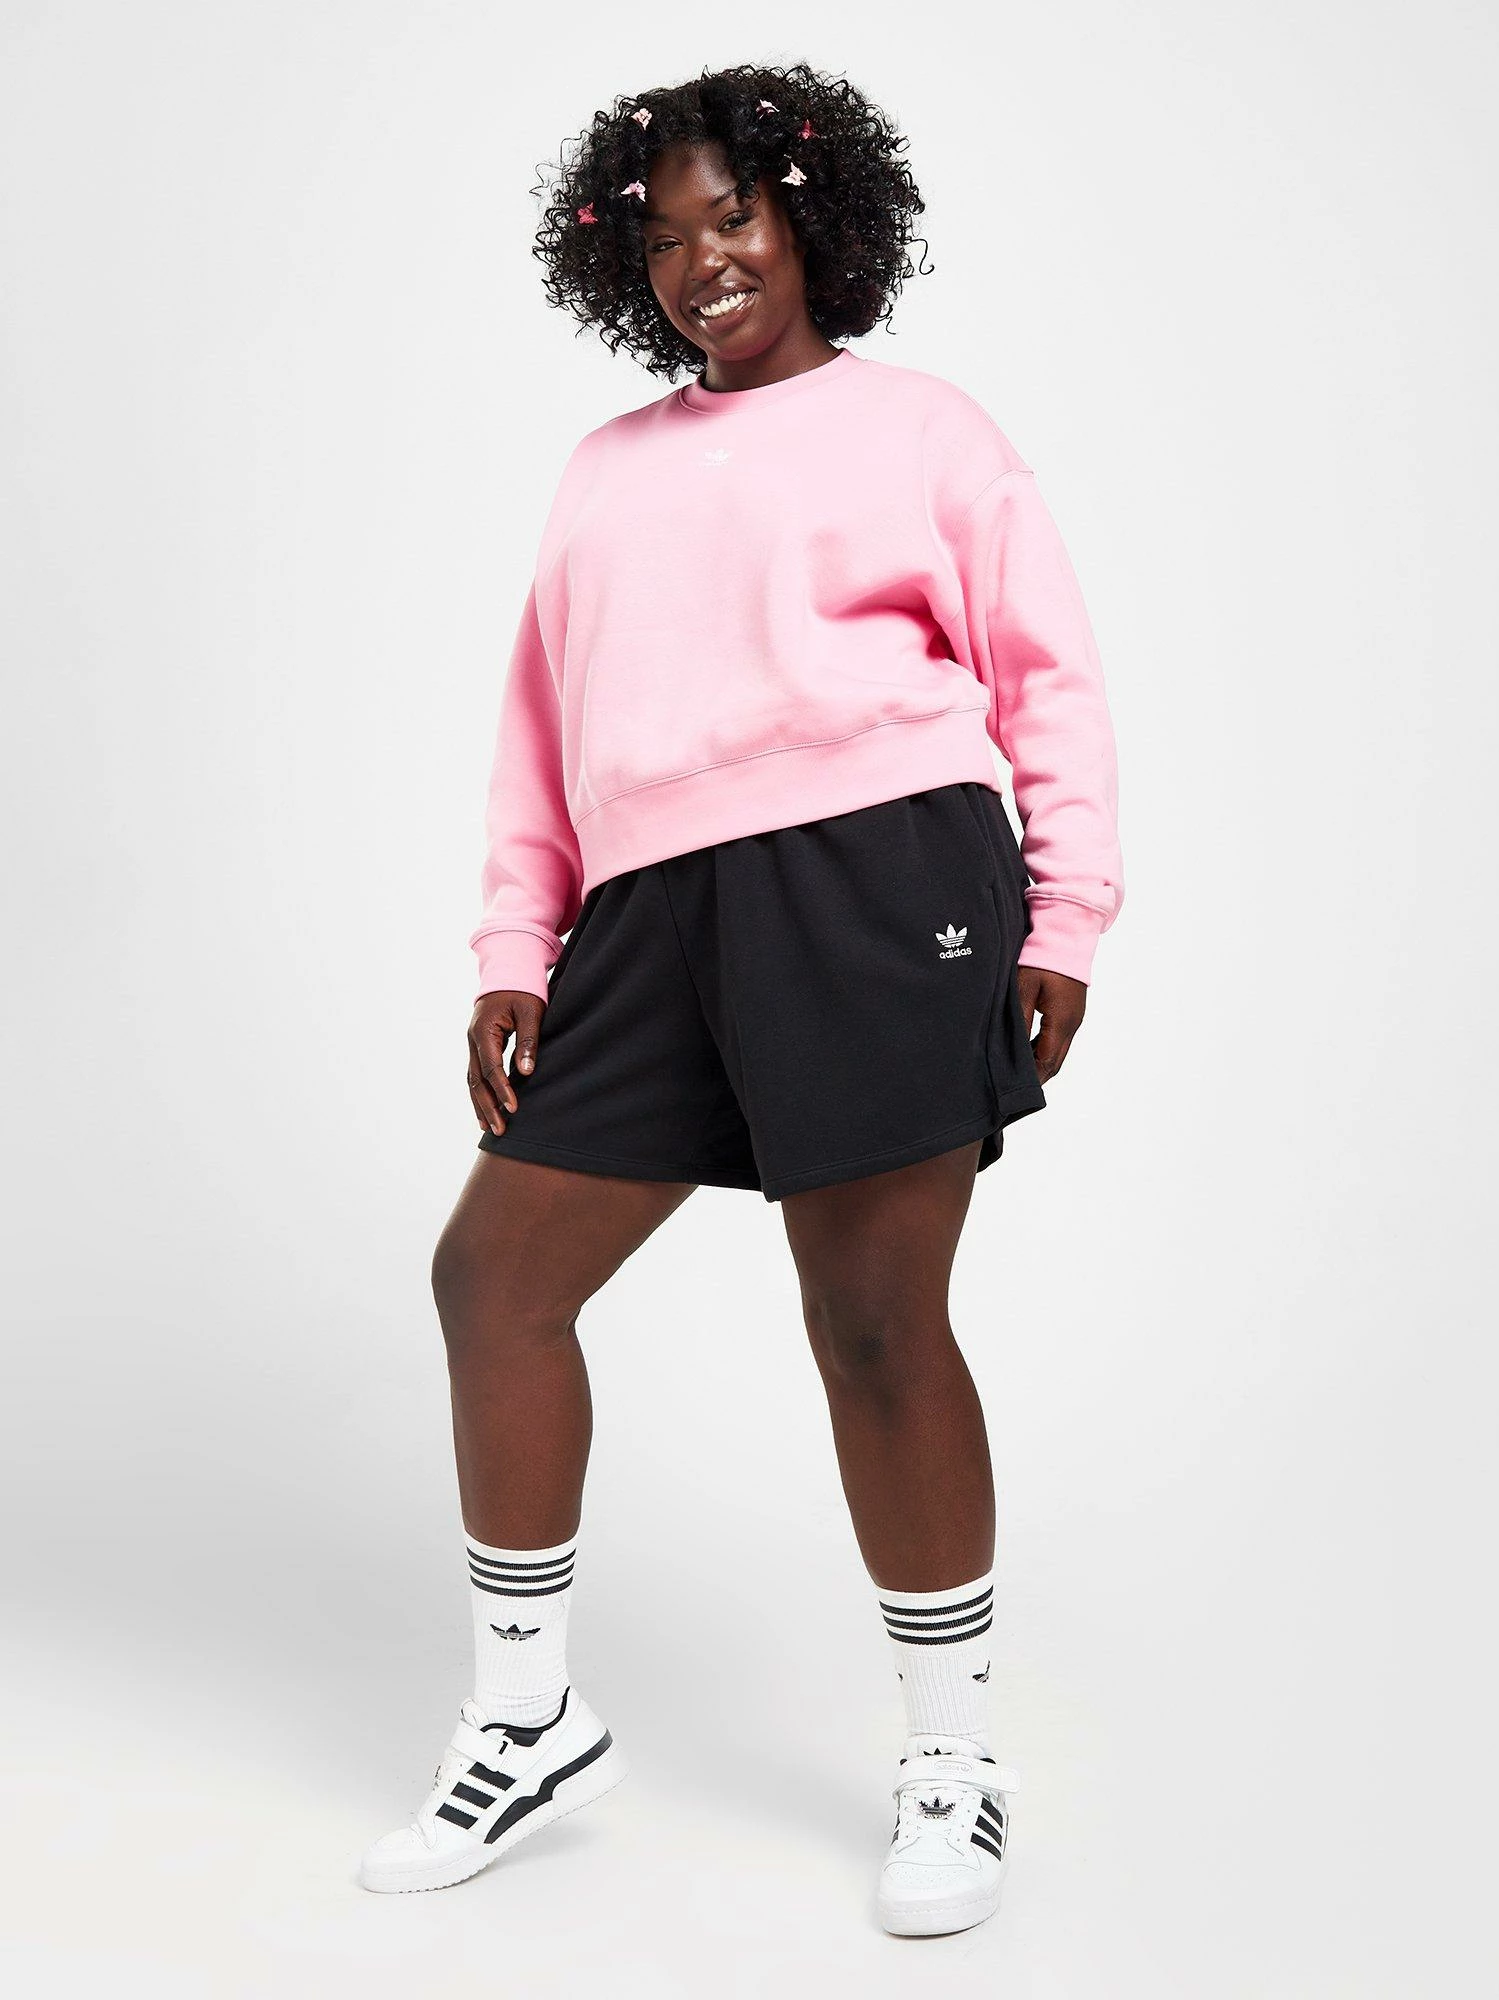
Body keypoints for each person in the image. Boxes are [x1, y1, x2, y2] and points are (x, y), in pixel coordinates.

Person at [359, 62, 1123, 1938]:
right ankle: (526, 1716)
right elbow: (539, 729)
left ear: (807, 220)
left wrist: (1068, 913)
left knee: (869, 1319)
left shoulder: (924, 430)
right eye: (665, 234)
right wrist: (515, 951)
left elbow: (1048, 678)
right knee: (493, 1280)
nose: (705, 259)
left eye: (736, 216)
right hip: (646, 916)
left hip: (878, 877)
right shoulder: (603, 468)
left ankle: (951, 1758)